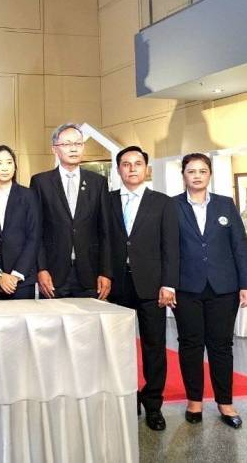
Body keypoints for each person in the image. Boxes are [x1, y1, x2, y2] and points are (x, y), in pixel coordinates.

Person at [174, 153, 247, 428]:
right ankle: (194, 401)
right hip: (186, 287)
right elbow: (167, 248)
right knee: (190, 345)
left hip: (224, 287)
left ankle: (225, 403)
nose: (197, 176)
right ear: (184, 175)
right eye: (191, 171)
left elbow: (239, 246)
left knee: (221, 346)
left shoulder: (225, 204)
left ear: (209, 174)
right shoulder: (172, 206)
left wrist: (244, 284)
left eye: (202, 171)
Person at [108, 146, 179, 431]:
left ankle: (153, 405)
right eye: (126, 164)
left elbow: (171, 246)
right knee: (117, 347)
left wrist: (169, 284)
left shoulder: (163, 203)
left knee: (154, 348)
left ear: (146, 169)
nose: (132, 168)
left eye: (137, 163)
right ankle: (125, 398)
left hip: (152, 285)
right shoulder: (107, 201)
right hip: (116, 285)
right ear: (118, 169)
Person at [30, 123, 112, 299]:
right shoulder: (40, 182)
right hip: (53, 274)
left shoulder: (98, 183)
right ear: (54, 149)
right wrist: (41, 268)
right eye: (67, 144)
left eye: (78, 144)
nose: (73, 149)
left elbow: (105, 231)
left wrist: (106, 272)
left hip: (90, 273)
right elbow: (36, 231)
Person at [0, 145, 41, 300]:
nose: (5, 168)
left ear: (15, 166)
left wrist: (16, 275)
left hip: (22, 279)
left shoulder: (29, 195)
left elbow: (34, 236)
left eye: (9, 162)